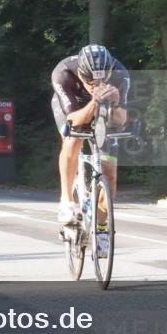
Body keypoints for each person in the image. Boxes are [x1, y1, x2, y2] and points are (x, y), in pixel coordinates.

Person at [51, 44, 130, 230]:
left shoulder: (120, 74)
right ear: (81, 73)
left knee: (110, 175)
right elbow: (73, 120)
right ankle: (66, 201)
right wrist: (94, 101)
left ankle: (101, 227)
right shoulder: (63, 73)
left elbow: (122, 120)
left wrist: (116, 103)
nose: (97, 85)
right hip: (74, 108)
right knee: (73, 139)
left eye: (102, 79)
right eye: (91, 81)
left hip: (103, 109)